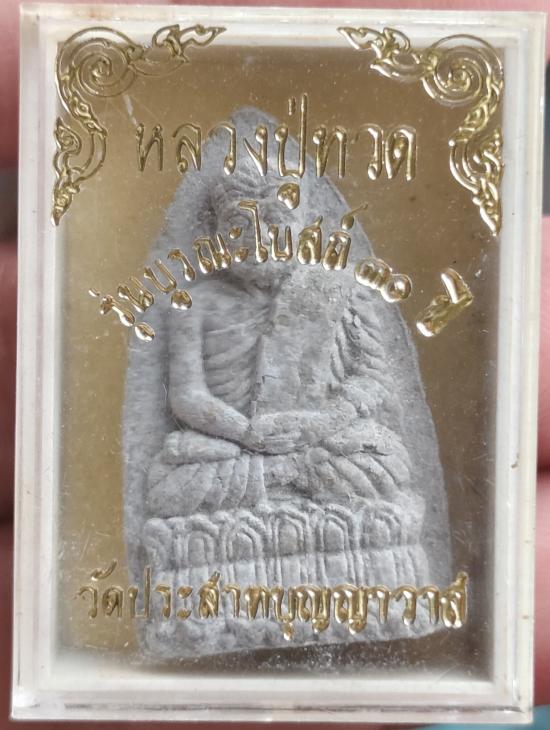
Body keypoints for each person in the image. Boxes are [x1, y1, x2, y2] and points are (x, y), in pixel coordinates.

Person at [0, 0, 548, 726]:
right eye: (242, 227)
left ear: (303, 224)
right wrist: (247, 434)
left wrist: (322, 422)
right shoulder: (192, 300)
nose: (259, 240)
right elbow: (187, 399)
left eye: (276, 224)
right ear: (218, 230)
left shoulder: (337, 291)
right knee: (174, 475)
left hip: (322, 447)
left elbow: (374, 383)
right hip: (231, 453)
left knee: (381, 464)